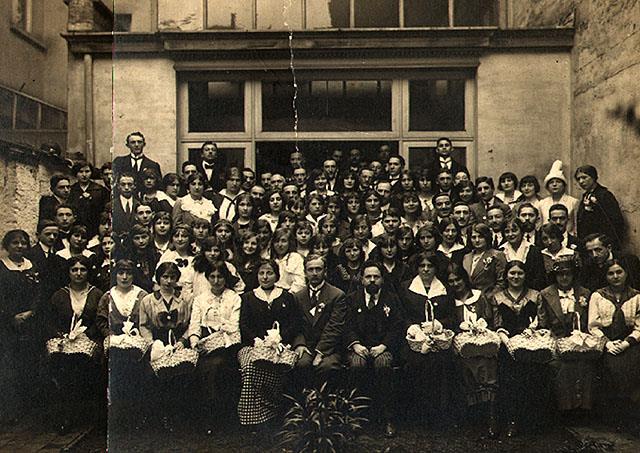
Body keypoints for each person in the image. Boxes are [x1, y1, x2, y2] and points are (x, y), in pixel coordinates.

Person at [238, 259, 302, 427]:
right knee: (251, 367)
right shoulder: (248, 297)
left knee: (277, 366)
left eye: (269, 273)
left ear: (277, 276)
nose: (265, 277)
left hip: (280, 345)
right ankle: (254, 416)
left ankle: (274, 411)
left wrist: (279, 338)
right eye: (261, 273)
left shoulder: (286, 297)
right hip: (253, 345)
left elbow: (294, 322)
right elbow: (243, 324)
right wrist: (257, 340)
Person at [344, 261, 403, 438]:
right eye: (368, 277)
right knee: (356, 365)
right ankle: (355, 416)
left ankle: (388, 418)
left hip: (382, 346)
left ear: (382, 280)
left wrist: (384, 345)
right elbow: (346, 326)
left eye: (376, 277)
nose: (372, 280)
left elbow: (398, 326)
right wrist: (355, 344)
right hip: (358, 347)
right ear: (361, 279)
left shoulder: (391, 299)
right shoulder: (352, 299)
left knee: (384, 365)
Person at [48, 256, 105, 434]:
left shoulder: (97, 294)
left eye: (83, 270)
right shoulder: (59, 295)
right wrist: (62, 335)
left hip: (89, 340)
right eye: (74, 270)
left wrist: (87, 335)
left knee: (83, 362)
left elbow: (100, 320)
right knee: (63, 365)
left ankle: (93, 418)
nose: (79, 273)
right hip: (65, 340)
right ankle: (67, 416)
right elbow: (50, 321)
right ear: (68, 272)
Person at [490, 261, 547, 436]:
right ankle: (505, 419)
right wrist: (507, 342)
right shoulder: (497, 297)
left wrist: (529, 335)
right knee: (506, 375)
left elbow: (541, 322)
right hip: (506, 342)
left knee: (529, 374)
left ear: (525, 275)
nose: (516, 277)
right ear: (506, 275)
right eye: (512, 273)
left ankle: (524, 421)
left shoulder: (535, 296)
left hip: (530, 342)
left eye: (520, 273)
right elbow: (496, 324)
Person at [399, 253, 456, 425]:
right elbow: (401, 315)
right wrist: (414, 329)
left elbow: (452, 317)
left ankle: (439, 414)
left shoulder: (444, 288)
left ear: (435, 268)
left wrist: (438, 324)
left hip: (439, 338)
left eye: (429, 266)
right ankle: (416, 413)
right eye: (422, 266)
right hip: (414, 339)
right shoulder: (406, 287)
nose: (425, 269)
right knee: (416, 361)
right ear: (416, 268)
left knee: (441, 361)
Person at [188, 260, 241, 431]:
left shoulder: (234, 297)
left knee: (216, 366)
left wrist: (218, 330)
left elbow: (234, 324)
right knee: (202, 366)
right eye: (212, 276)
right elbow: (195, 324)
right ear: (207, 278)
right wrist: (195, 341)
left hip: (228, 344)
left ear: (226, 278)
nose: (216, 281)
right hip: (205, 344)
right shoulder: (200, 299)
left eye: (220, 276)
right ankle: (206, 414)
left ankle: (216, 416)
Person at [446, 263, 498, 437]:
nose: (455, 284)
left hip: (482, 341)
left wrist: (480, 332)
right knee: (464, 363)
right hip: (461, 344)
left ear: (465, 279)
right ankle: (472, 418)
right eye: (451, 281)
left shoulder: (478, 296)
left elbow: (488, 320)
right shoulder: (449, 301)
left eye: (458, 279)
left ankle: (490, 417)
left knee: (486, 361)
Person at [537, 258, 594, 412]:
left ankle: (583, 408)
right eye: (560, 275)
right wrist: (555, 340)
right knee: (560, 365)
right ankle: (565, 409)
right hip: (555, 339)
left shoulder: (585, 293)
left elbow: (589, 321)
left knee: (585, 364)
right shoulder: (546, 294)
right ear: (555, 276)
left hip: (580, 339)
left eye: (568, 274)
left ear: (573, 275)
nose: (564, 278)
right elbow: (543, 323)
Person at [588, 259, 640, 410]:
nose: (615, 276)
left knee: (634, 364)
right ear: (605, 276)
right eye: (610, 273)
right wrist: (608, 343)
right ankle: (614, 413)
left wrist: (626, 343)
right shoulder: (597, 296)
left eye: (619, 272)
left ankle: (633, 411)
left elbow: (639, 327)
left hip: (630, 343)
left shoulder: (636, 297)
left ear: (626, 273)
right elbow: (593, 326)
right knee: (611, 366)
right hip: (607, 343)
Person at [0, 230, 41, 423]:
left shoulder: (32, 266)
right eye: (15, 243)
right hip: (7, 325)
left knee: (29, 364)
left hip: (30, 322)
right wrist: (11, 317)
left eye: (23, 243)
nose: (19, 247)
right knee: (9, 367)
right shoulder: (1, 268)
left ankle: (29, 411)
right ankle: (10, 413)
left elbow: (39, 293)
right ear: (6, 246)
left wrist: (30, 312)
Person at [291, 254, 347, 390]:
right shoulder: (297, 297)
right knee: (301, 363)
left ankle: (326, 406)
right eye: (310, 270)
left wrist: (320, 352)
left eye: (318, 269)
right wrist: (299, 344)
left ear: (325, 271)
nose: (315, 273)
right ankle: (304, 405)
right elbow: (294, 325)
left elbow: (335, 327)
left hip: (330, 348)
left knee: (326, 366)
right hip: (306, 345)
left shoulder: (337, 295)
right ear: (305, 272)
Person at [575, 165, 626, 250]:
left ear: (593, 177)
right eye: (578, 179)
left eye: (584, 178)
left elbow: (616, 221)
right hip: (588, 243)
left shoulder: (604, 195)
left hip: (603, 243)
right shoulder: (585, 196)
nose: (581, 181)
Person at [500, 218, 546, 290]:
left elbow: (540, 278)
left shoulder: (534, 250)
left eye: (514, 231)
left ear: (522, 231)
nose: (510, 234)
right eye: (507, 231)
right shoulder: (501, 251)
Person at [462, 223, 507, 297]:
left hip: (489, 299)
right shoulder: (466, 257)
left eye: (480, 237)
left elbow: (501, 283)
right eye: (473, 237)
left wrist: (488, 297)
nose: (477, 240)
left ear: (487, 237)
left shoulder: (497, 255)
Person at [68, 161, 110, 237]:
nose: (84, 175)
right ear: (76, 173)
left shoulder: (100, 190)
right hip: (76, 227)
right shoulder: (72, 190)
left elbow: (104, 212)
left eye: (87, 171)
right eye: (80, 172)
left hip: (95, 227)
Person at [539, 160, 579, 234]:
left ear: (563, 185)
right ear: (547, 186)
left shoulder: (573, 202)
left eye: (558, 182)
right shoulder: (542, 203)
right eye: (551, 182)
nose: (554, 184)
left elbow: (575, 225)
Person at [270, 228, 305, 294]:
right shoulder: (271, 259)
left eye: (283, 241)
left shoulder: (296, 258)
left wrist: (287, 296)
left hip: (289, 294)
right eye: (277, 241)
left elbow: (300, 283)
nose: (280, 245)